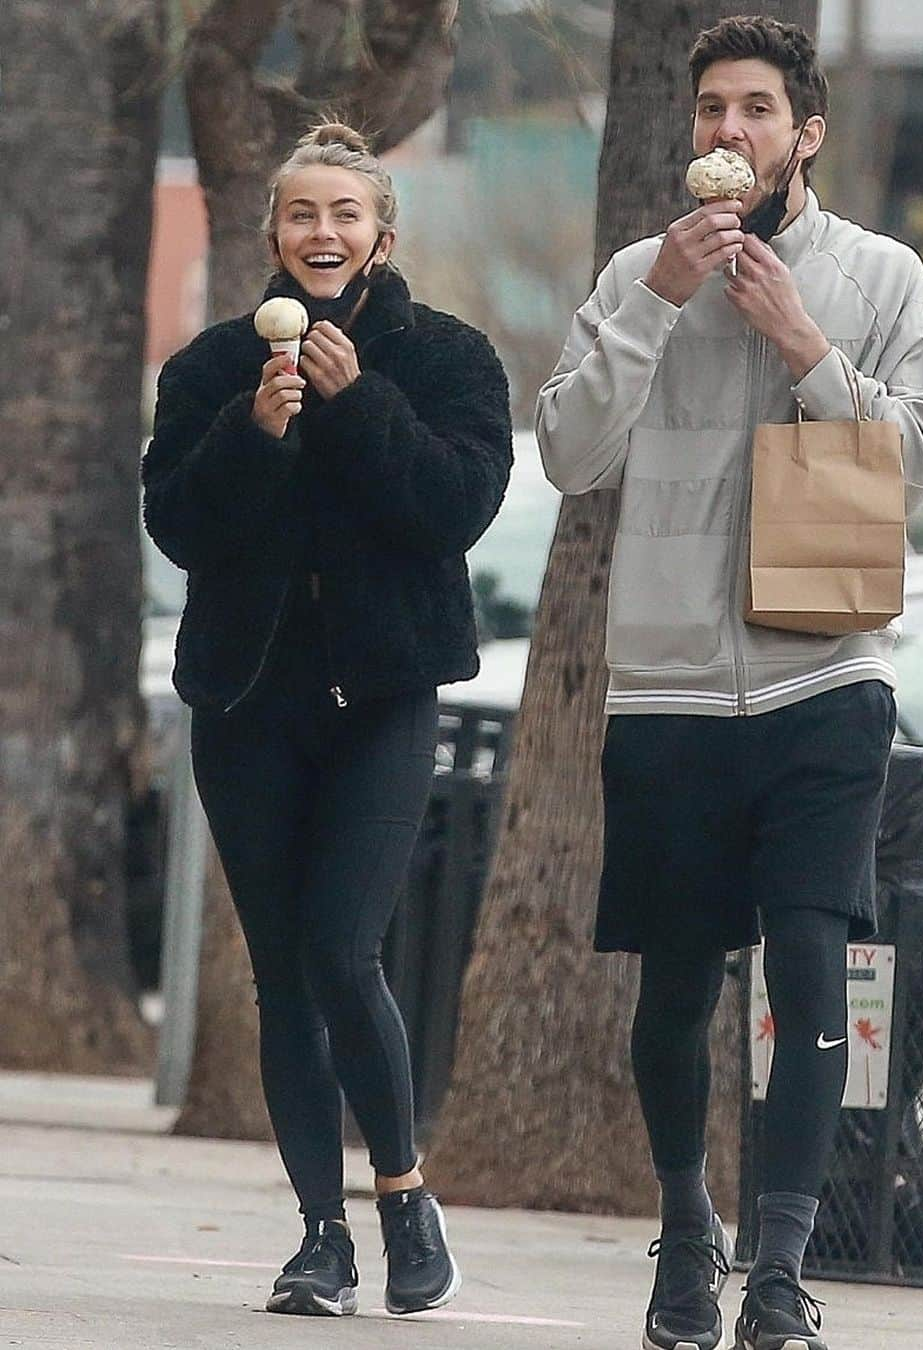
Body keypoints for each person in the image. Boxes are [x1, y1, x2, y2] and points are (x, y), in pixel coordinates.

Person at [536, 16, 923, 1350]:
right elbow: (567, 452)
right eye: (713, 111)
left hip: (824, 676)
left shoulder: (881, 275)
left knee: (810, 965)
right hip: (666, 688)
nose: (730, 134)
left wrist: (801, 344)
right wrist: (657, 300)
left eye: (758, 111)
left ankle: (780, 1268)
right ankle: (685, 1229)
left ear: (806, 132)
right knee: (673, 988)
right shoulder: (635, 273)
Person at [143, 121, 512, 1319]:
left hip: (380, 698)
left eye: (344, 215)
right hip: (248, 702)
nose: (323, 234)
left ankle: (404, 1195)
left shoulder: (445, 357)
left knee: (345, 951)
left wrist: (357, 411)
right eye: (302, 215)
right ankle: (319, 1238)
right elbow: (181, 528)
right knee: (283, 976)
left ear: (382, 236)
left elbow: (453, 508)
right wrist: (255, 431)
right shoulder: (210, 369)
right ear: (272, 236)